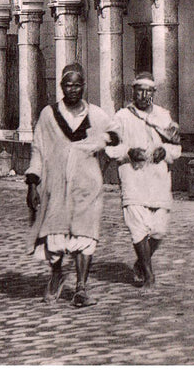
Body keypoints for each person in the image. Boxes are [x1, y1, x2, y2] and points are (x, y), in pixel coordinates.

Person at [27, 63, 119, 307]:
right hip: (55, 185)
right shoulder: (49, 115)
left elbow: (116, 137)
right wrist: (32, 183)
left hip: (87, 186)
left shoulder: (96, 115)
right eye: (68, 85)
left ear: (84, 86)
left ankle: (81, 288)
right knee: (55, 236)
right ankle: (57, 274)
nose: (73, 89)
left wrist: (102, 151)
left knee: (85, 235)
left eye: (77, 85)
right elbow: (38, 149)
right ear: (61, 86)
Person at [109, 72, 182, 288]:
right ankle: (149, 274)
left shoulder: (163, 116)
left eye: (148, 91)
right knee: (138, 227)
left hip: (158, 179)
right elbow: (110, 147)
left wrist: (165, 151)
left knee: (159, 229)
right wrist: (128, 152)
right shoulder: (121, 117)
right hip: (133, 177)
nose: (143, 95)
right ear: (133, 92)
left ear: (154, 93)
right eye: (139, 90)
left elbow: (176, 147)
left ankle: (141, 263)